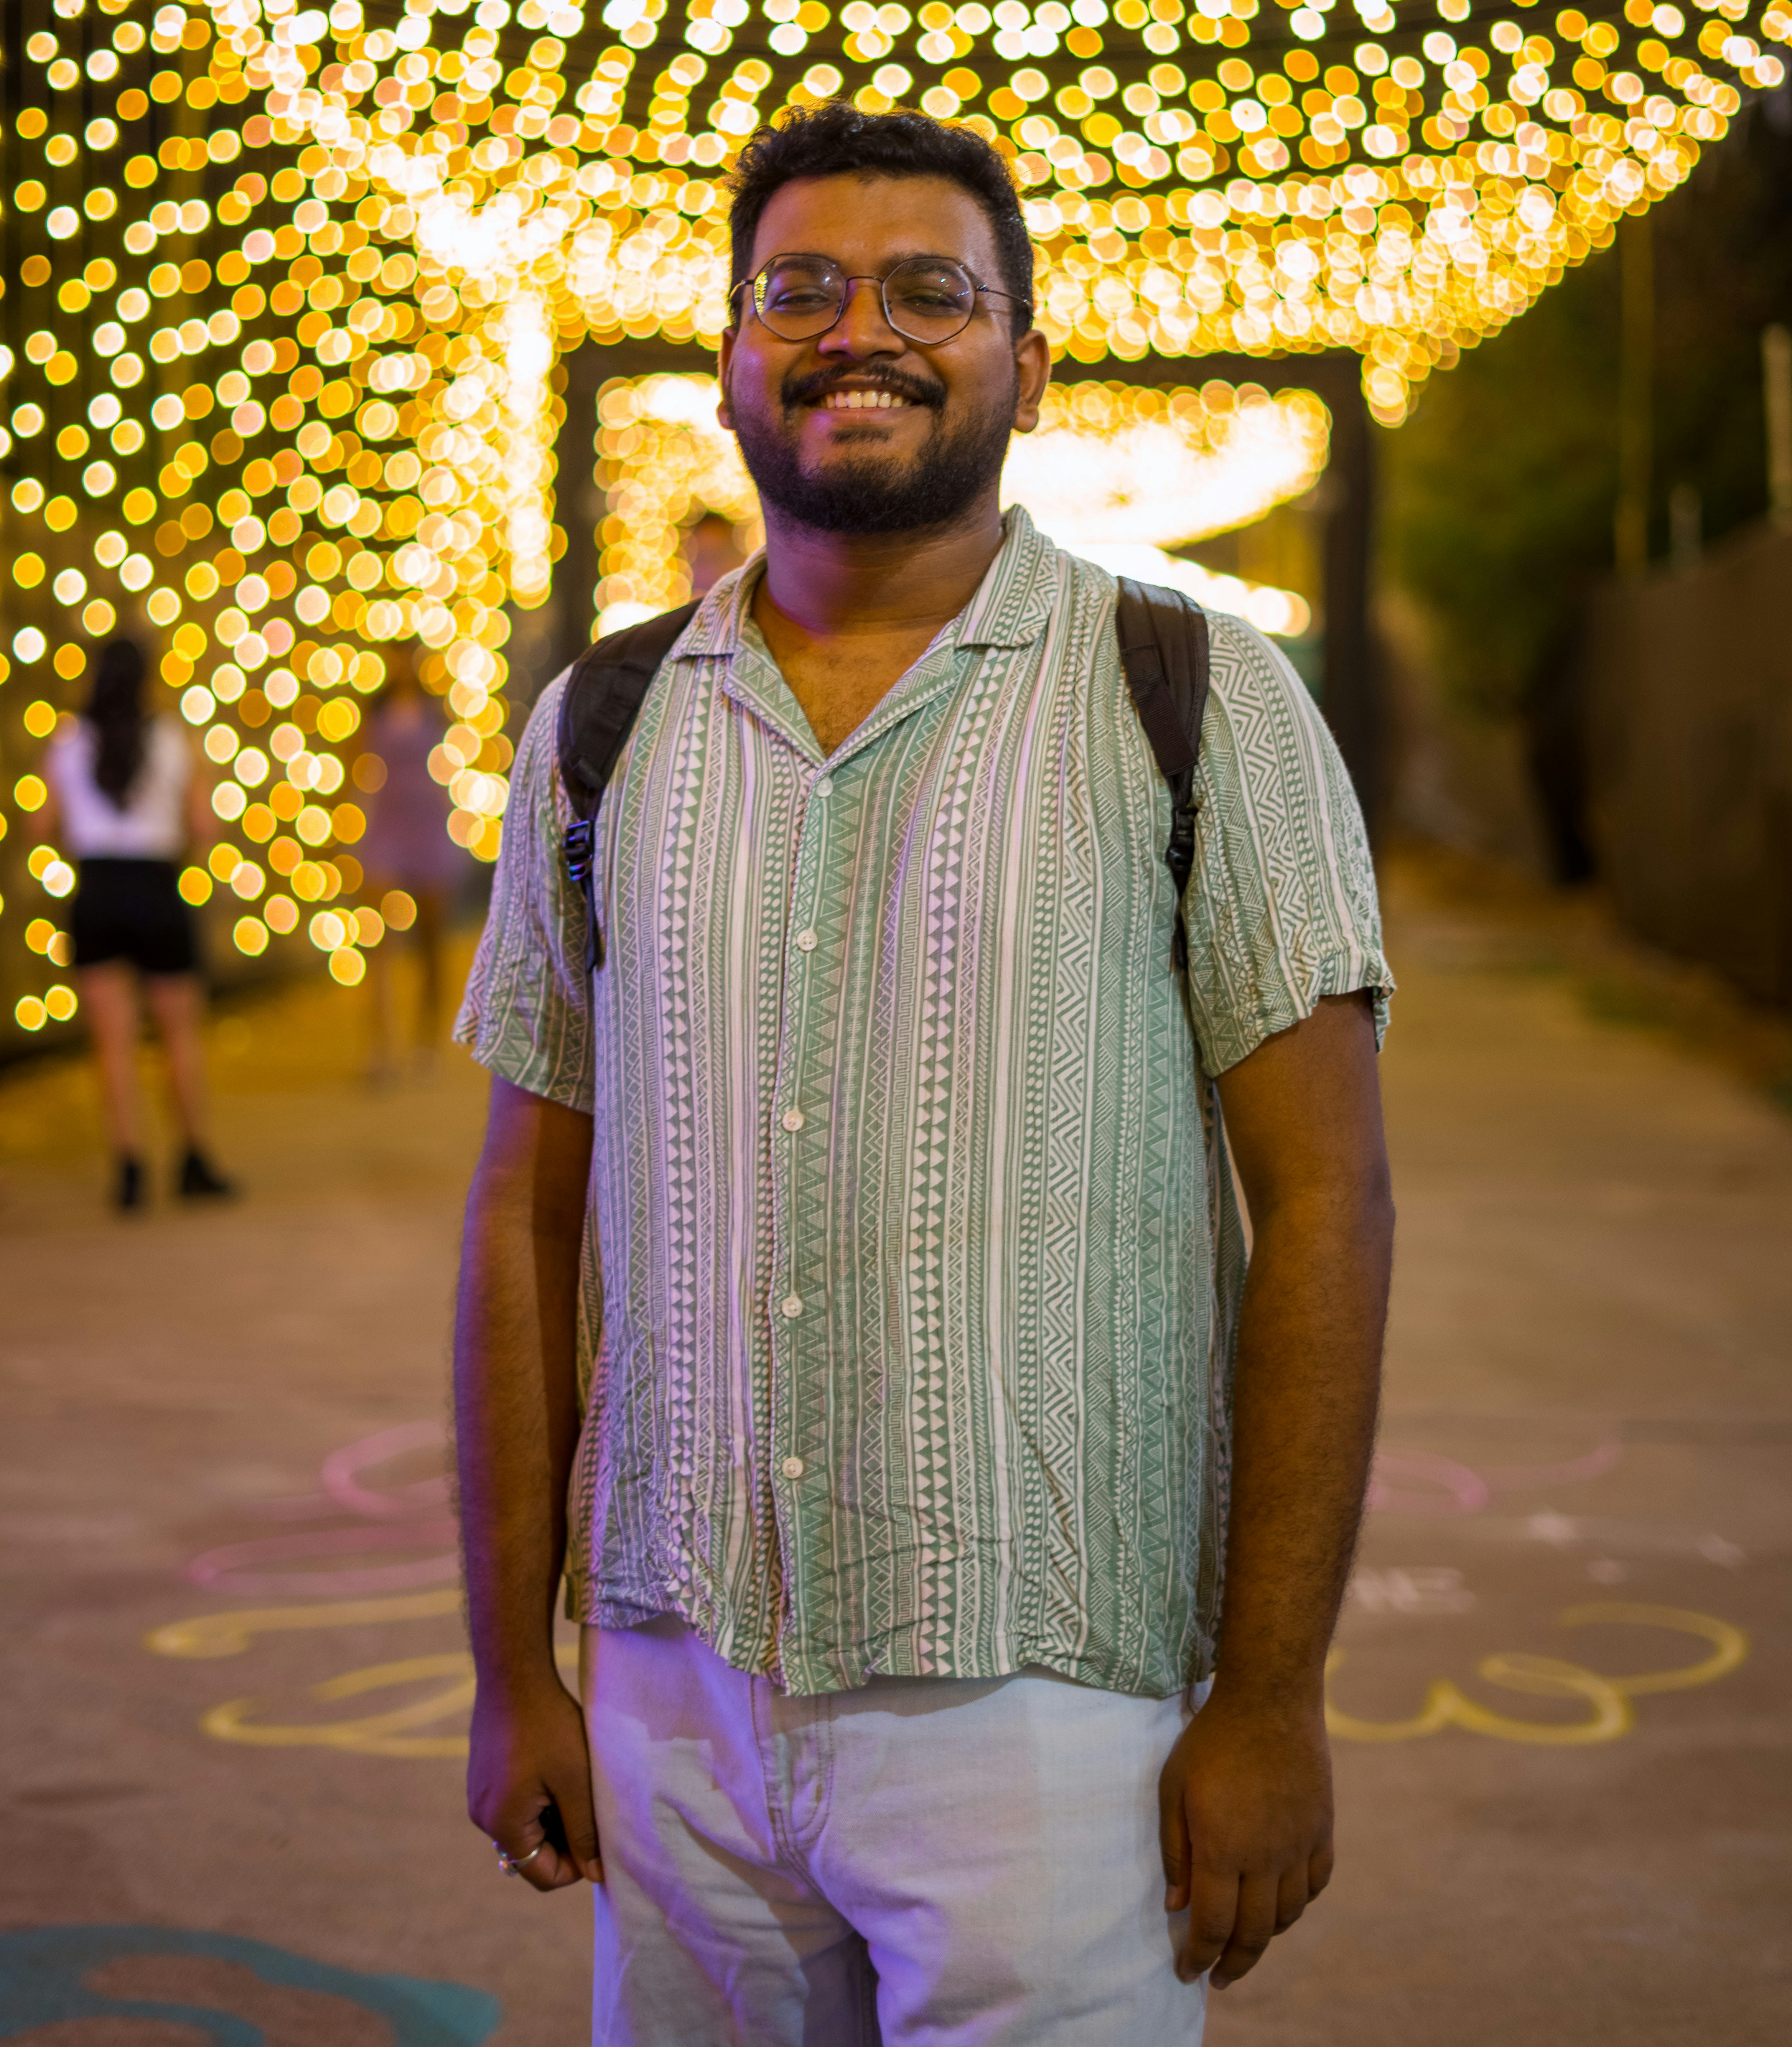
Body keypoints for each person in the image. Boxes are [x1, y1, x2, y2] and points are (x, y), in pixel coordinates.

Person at [453, 103, 1395, 2044]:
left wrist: (1273, 1693)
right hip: (672, 1689)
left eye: (925, 292)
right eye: (796, 288)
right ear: (726, 355)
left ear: (1024, 363)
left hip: (1046, 1713)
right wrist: (510, 1665)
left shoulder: (1194, 699)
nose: (853, 330)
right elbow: (523, 1210)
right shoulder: (601, 729)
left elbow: (1326, 1205)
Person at [40, 636, 237, 1213]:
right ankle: (193, 1156)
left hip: (96, 891)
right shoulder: (174, 738)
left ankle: (128, 1166)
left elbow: (38, 827)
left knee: (113, 1044)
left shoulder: (68, 742)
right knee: (178, 1035)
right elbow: (204, 826)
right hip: (156, 888)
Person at [354, 644, 458, 1084]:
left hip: (427, 824)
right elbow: (358, 767)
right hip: (387, 824)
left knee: (432, 941)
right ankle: (382, 1046)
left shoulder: (434, 710)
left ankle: (427, 1042)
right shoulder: (373, 711)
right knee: (377, 941)